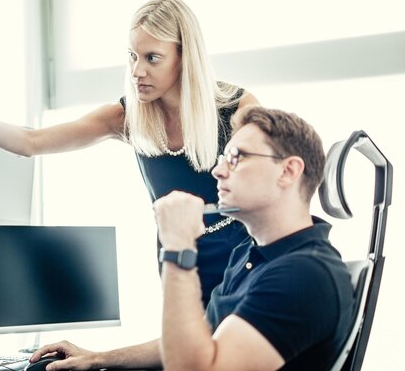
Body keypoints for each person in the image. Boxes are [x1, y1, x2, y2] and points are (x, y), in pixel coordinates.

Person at [0, 0, 259, 306]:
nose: (137, 71)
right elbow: (31, 143)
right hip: (179, 257)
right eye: (133, 56)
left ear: (185, 58)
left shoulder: (235, 108)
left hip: (242, 254)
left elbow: (276, 176)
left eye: (152, 58)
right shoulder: (127, 117)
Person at [27, 106, 355, 371]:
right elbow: (198, 340)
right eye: (223, 157)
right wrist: (97, 358)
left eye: (237, 157)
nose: (218, 170)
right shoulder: (251, 254)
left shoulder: (304, 275)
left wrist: (179, 247)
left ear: (288, 171)